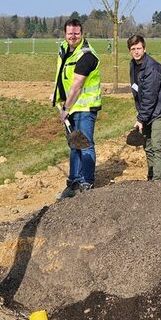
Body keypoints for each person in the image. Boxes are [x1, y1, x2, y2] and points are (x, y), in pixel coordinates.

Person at [52, 18, 102, 200]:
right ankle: (74, 182)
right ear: (65, 34)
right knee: (74, 145)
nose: (73, 36)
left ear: (82, 34)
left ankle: (87, 183)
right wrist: (56, 95)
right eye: (69, 33)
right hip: (71, 106)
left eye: (76, 33)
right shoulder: (65, 49)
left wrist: (65, 108)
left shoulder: (86, 55)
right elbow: (62, 76)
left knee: (85, 144)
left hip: (84, 108)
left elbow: (77, 86)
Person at [127, 34, 161, 180]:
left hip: (159, 110)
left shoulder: (152, 68)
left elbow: (150, 97)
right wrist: (141, 114)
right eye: (133, 49)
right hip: (146, 111)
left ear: (144, 49)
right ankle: (151, 175)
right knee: (147, 145)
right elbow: (138, 91)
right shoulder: (133, 65)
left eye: (139, 48)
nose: (136, 51)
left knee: (156, 145)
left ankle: (157, 181)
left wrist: (141, 118)